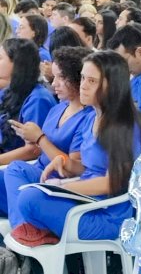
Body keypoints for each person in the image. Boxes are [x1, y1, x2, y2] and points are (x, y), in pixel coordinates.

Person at [10, 50, 141, 245]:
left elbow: (112, 182)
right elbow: (91, 169)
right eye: (82, 78)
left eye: (91, 81)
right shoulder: (93, 116)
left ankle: (31, 231)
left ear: (112, 85)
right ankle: (31, 229)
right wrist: (66, 163)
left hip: (105, 214)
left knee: (30, 198)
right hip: (85, 202)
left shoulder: (123, 125)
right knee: (26, 189)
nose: (83, 86)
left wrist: (65, 187)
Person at [3, 46, 93, 222]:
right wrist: (29, 136)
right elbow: (39, 148)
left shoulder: (88, 117)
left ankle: (24, 230)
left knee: (18, 175)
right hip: (37, 170)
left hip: (55, 181)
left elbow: (70, 169)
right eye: (54, 77)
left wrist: (39, 138)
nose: (53, 84)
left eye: (61, 77)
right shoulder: (58, 108)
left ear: (77, 78)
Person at [0, 38, 57, 161]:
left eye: (0, 58)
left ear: (17, 64)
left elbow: (33, 150)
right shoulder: (10, 90)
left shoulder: (38, 99)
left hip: (21, 165)